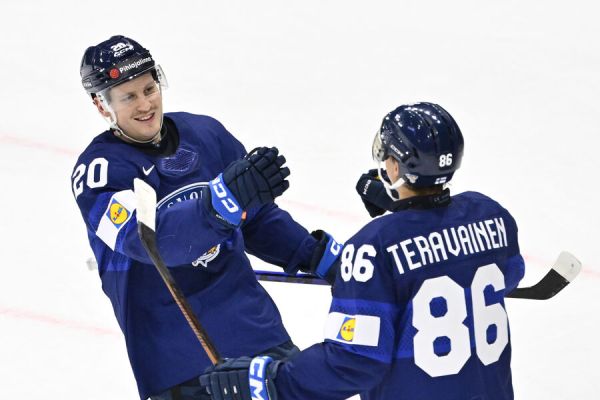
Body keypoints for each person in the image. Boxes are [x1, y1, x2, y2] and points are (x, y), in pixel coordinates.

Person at [71, 35, 340, 400]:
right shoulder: (99, 172)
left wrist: (318, 256)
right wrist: (219, 203)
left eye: (149, 89)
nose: (145, 105)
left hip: (255, 332)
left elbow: (257, 220)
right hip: (177, 362)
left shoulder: (205, 134)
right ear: (101, 104)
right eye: (128, 97)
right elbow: (149, 242)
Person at [199, 102, 526, 400]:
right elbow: (508, 275)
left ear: (395, 167)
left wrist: (271, 380)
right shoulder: (491, 215)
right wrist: (411, 214)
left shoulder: (372, 247)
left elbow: (354, 362)